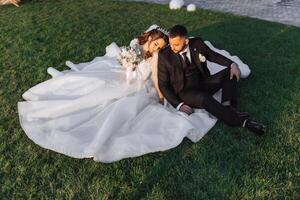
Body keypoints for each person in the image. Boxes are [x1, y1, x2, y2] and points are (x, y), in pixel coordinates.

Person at [18, 25, 253, 163]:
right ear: (150, 40)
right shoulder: (143, 50)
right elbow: (151, 72)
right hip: (129, 75)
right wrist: (131, 65)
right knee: (94, 83)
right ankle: (236, 118)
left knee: (230, 72)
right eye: (158, 45)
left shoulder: (172, 53)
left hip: (150, 82)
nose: (160, 49)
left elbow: (169, 78)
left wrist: (230, 63)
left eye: (164, 46)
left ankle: (231, 108)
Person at [158, 25, 266, 135]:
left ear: (186, 41)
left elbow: (212, 55)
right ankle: (243, 122)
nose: (172, 47)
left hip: (203, 83)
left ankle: (227, 107)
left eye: (176, 44)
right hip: (185, 92)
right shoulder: (164, 56)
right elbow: (163, 84)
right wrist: (178, 105)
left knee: (230, 71)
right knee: (204, 98)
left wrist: (232, 64)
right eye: (170, 43)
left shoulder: (197, 43)